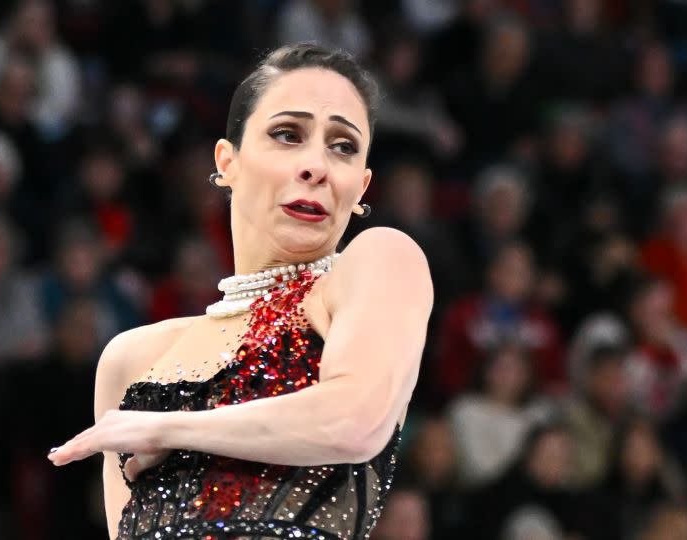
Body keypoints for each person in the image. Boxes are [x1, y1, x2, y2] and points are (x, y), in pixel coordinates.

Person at [48, 43, 434, 539]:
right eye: (288, 134)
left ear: (360, 188)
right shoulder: (130, 357)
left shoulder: (378, 263)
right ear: (228, 162)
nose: (316, 166)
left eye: (342, 146)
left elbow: (355, 421)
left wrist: (166, 428)